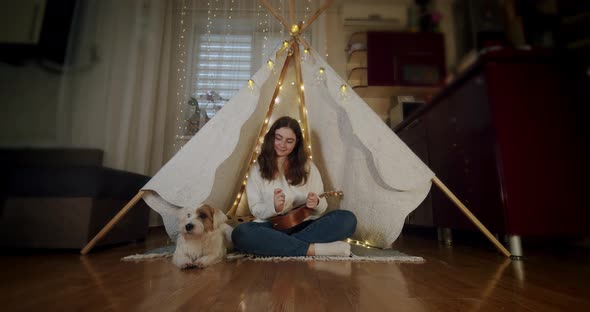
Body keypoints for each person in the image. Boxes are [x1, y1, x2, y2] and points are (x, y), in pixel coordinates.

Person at [231, 116, 357, 256]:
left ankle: (278, 246)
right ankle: (314, 249)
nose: (282, 144)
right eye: (278, 138)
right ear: (271, 137)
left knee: (347, 219)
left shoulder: (308, 167)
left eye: (289, 141)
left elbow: (322, 207)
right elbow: (255, 209)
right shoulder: (257, 169)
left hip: (306, 225)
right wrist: (274, 207)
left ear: (297, 143)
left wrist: (316, 203)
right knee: (240, 233)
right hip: (271, 227)